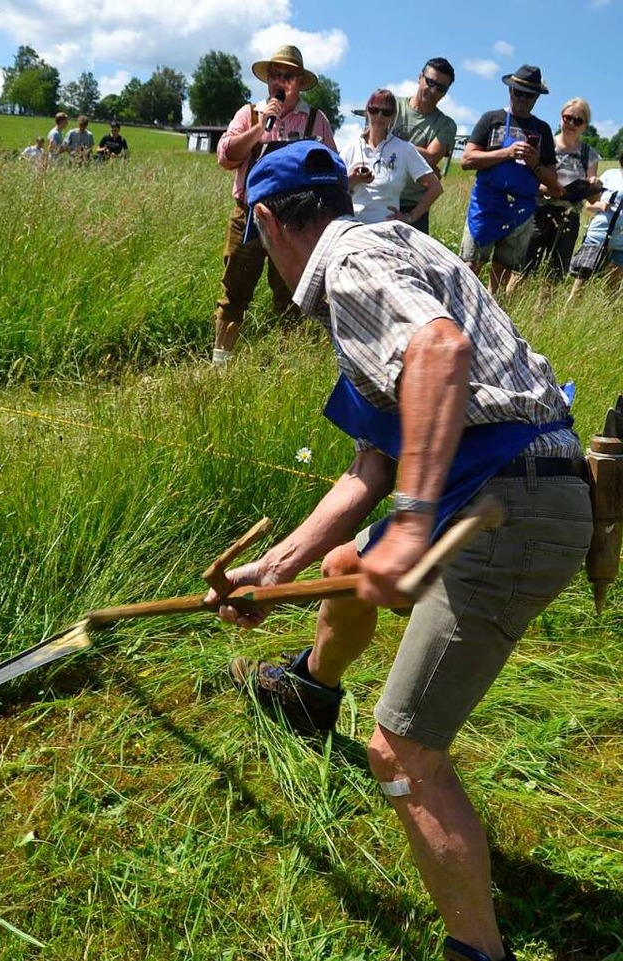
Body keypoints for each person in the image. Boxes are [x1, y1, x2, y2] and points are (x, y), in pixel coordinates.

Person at [209, 141, 593, 961]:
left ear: (268, 220)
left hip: (508, 503)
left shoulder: (348, 264)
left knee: (404, 751)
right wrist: (272, 568)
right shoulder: (392, 244)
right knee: (343, 567)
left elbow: (440, 350)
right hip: (498, 489)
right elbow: (371, 466)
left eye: (254, 230)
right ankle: (311, 691)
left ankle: (478, 951)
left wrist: (414, 519)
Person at [212, 44, 336, 368]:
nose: (280, 82)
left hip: (295, 220)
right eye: (275, 75)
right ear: (268, 80)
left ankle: (286, 369)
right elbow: (225, 156)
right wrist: (260, 128)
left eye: (288, 76)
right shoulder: (250, 113)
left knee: (293, 296)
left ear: (299, 82)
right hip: (249, 215)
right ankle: (220, 366)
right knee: (234, 291)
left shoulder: (315, 121)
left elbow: (331, 167)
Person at [460, 65, 562, 295]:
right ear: (510, 91)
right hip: (486, 204)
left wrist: (534, 163)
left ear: (537, 97)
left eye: (530, 95)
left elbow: (553, 180)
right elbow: (467, 159)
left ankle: (492, 312)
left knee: (503, 271)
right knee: (470, 265)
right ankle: (462, 310)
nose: (523, 99)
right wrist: (506, 153)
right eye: (519, 93)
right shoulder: (492, 119)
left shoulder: (543, 130)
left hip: (522, 210)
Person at [523, 98, 600, 280]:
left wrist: (593, 186)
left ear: (585, 126)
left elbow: (593, 200)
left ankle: (541, 309)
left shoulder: (590, 155)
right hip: (538, 212)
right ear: (560, 117)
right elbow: (525, 180)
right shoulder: (544, 145)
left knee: (553, 276)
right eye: (568, 118)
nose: (571, 123)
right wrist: (547, 189)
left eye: (578, 121)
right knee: (522, 271)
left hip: (569, 218)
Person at [340, 88, 442, 225]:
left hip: (386, 230)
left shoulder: (404, 149)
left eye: (386, 112)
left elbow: (435, 187)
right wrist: (352, 180)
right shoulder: (350, 148)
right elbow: (332, 191)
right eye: (374, 110)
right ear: (367, 111)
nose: (379, 116)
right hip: (351, 226)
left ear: (393, 116)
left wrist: (410, 217)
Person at [391, 57, 457, 233]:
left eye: (441, 88)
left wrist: (388, 139)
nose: (433, 90)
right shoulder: (391, 105)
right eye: (430, 82)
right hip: (378, 197)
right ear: (419, 77)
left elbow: (431, 158)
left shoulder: (446, 124)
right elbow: (371, 142)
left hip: (413, 206)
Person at [568, 150, 623, 301]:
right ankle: (568, 315)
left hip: (621, 244)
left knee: (612, 291)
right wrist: (602, 205)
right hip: (597, 237)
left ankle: (605, 321)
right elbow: (589, 204)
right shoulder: (611, 175)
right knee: (579, 288)